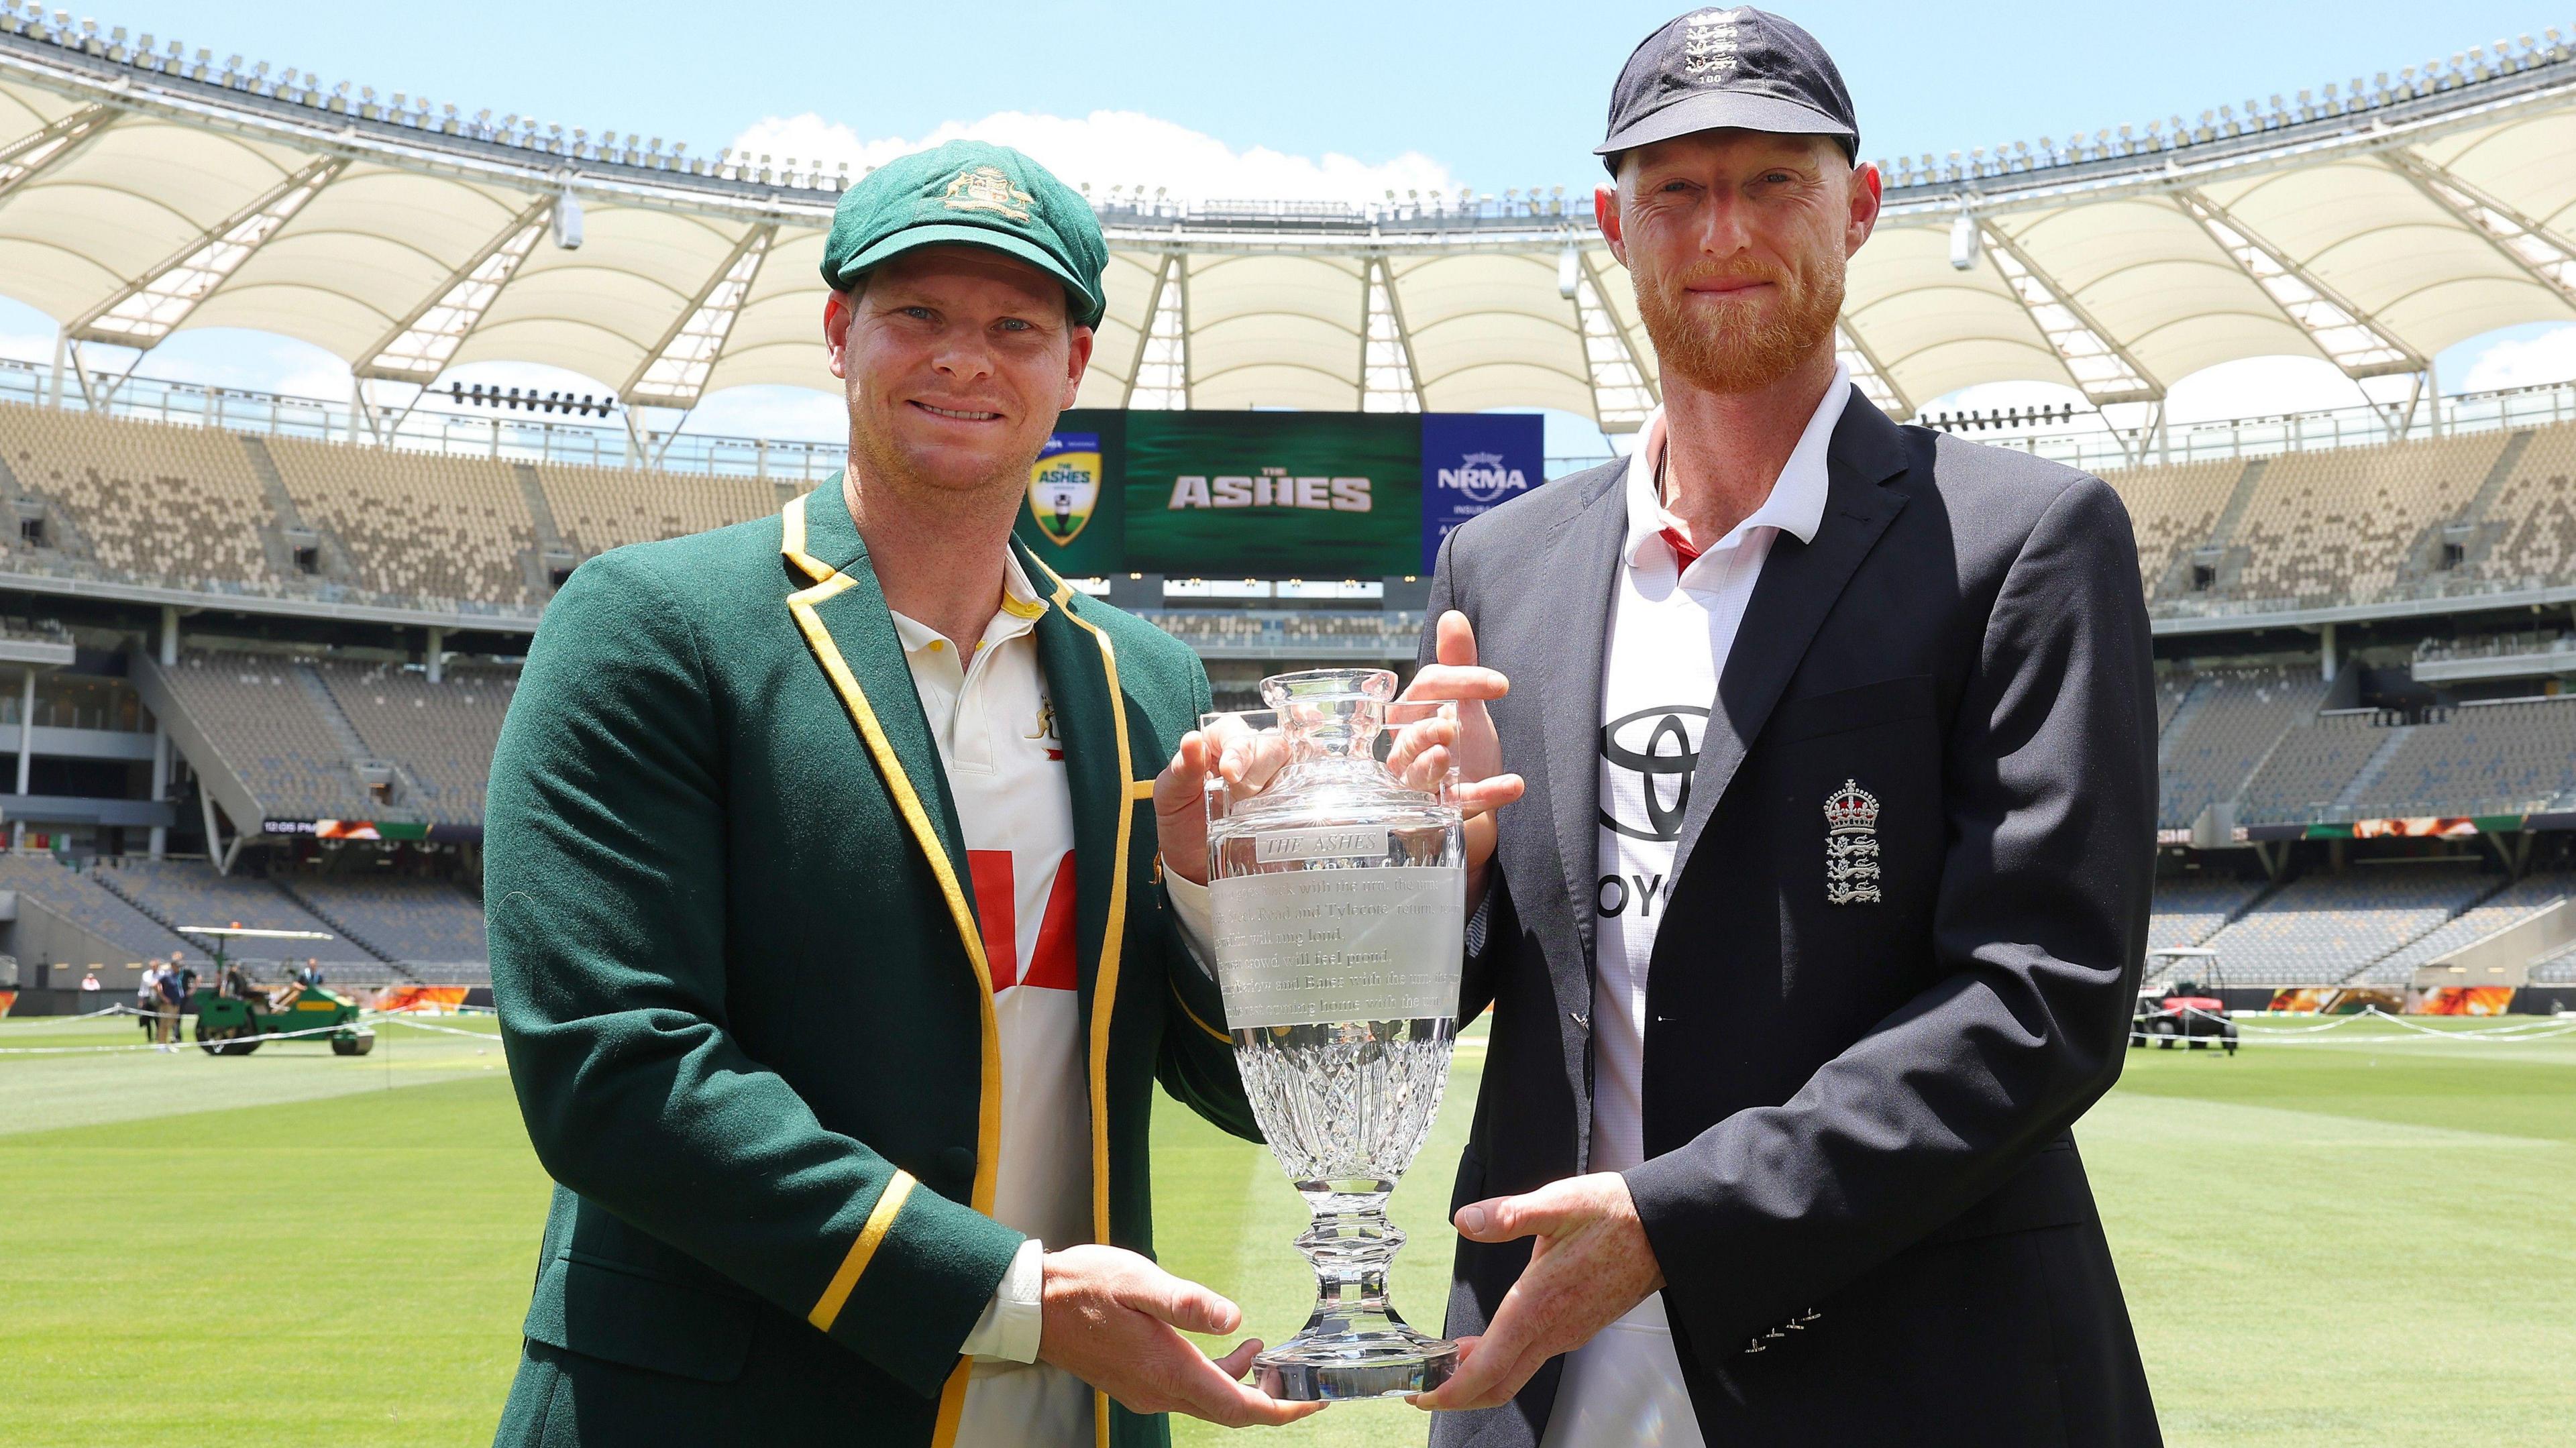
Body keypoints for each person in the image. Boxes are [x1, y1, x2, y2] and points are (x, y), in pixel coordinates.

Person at [486, 140, 1319, 1448]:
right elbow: (610, 1066)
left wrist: (1216, 893)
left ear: (1074, 367)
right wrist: (1011, 1295)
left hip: (1068, 1420)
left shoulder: (1147, 679)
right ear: (838, 331)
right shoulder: (656, 625)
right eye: (917, 314)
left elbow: (1236, 1092)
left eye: (1014, 326)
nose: (964, 359)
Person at [1405, 10, 2161, 1446]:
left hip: (1912, 1379)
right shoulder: (1496, 570)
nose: (1721, 229)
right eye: (1675, 189)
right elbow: (1448, 979)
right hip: (1544, 1392)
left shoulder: (2027, 540)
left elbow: (2042, 995)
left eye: (1774, 182)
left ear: (1861, 208)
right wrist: (1394, 878)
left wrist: (1675, 1221)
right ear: (1609, 225)